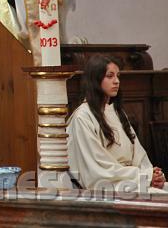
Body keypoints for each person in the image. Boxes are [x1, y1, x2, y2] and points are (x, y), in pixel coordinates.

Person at [67, 55, 166, 193]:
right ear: (95, 79)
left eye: (118, 76)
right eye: (110, 76)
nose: (117, 81)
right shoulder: (83, 117)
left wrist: (152, 174)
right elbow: (96, 168)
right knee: (160, 196)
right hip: (108, 185)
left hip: (130, 179)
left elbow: (138, 153)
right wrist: (143, 176)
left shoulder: (117, 113)